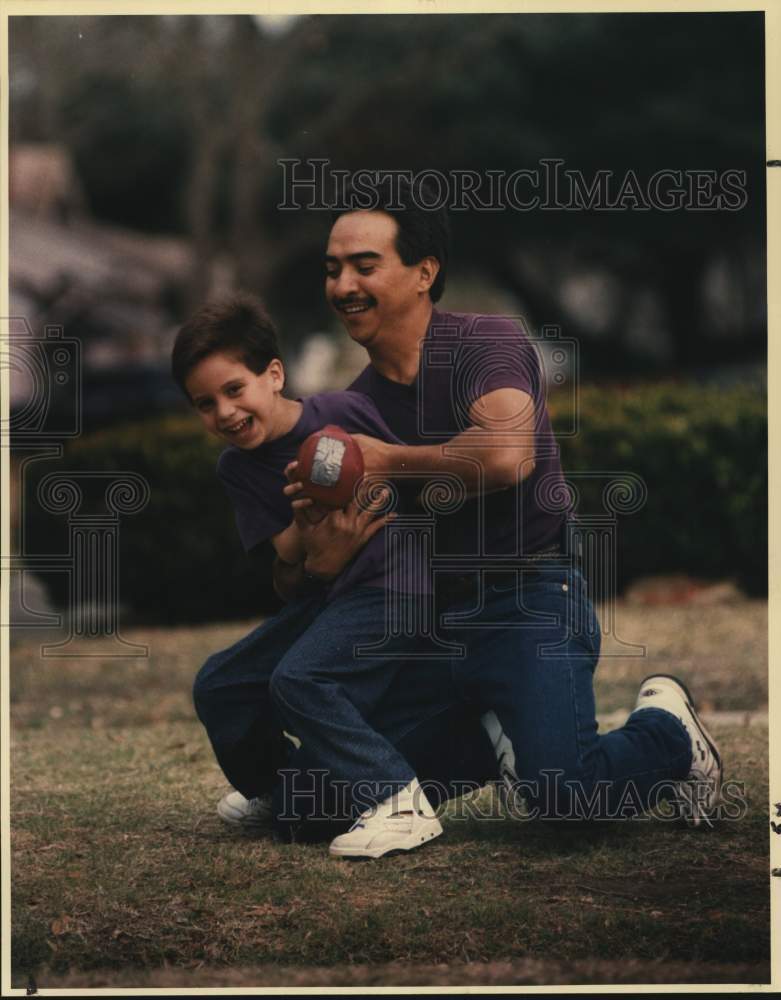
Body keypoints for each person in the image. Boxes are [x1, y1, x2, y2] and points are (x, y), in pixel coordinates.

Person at [287, 175, 723, 828]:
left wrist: (385, 459)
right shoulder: (354, 405)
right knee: (311, 808)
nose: (343, 285)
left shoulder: (483, 343)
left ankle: (665, 731)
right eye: (332, 269)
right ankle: (498, 727)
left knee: (564, 800)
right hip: (433, 626)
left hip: (530, 599)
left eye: (363, 265)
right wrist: (320, 553)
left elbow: (504, 456)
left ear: (422, 272)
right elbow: (320, 564)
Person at [171, 293, 499, 858]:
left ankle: (397, 800)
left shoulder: (341, 414)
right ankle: (276, 790)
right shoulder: (238, 468)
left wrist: (373, 489)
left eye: (233, 390)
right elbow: (291, 555)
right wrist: (307, 521)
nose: (223, 413)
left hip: (392, 588)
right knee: (220, 685)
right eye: (204, 404)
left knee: (300, 681)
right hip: (331, 599)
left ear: (273, 375)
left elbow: (409, 476)